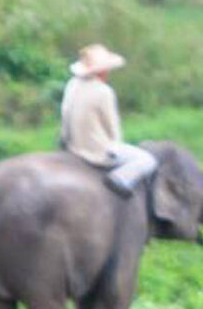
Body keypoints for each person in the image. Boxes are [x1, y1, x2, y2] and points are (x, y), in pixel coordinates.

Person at [59, 44, 158, 198]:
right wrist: (116, 148)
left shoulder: (72, 84)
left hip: (73, 146)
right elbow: (113, 128)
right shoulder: (104, 91)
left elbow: (65, 114)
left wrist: (65, 141)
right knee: (147, 160)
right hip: (96, 151)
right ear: (103, 71)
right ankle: (120, 179)